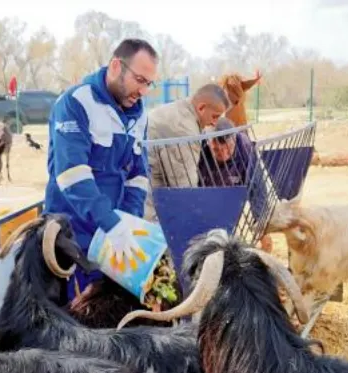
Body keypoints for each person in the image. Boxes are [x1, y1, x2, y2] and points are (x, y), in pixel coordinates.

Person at [43, 38, 158, 303]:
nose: (143, 91)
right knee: (72, 315)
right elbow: (71, 175)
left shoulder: (139, 115)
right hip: (71, 237)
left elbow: (138, 175)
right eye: (139, 80)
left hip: (111, 237)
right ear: (116, 66)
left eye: (149, 84)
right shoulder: (76, 103)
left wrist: (128, 223)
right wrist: (111, 223)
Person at [143, 83, 231, 222]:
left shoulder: (181, 110)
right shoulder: (184, 131)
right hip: (148, 203)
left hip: (150, 191)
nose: (215, 124)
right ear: (201, 107)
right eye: (214, 116)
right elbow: (185, 188)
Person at [199, 116, 274, 251]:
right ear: (209, 143)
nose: (223, 154)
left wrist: (262, 227)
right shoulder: (200, 146)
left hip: (231, 194)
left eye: (228, 148)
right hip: (206, 193)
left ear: (234, 139)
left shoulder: (245, 148)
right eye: (217, 150)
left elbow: (257, 189)